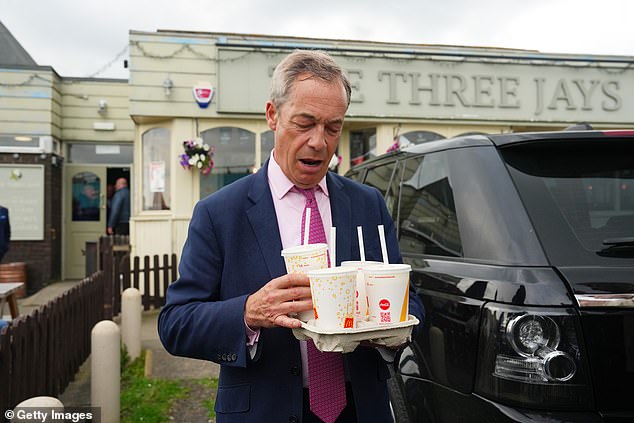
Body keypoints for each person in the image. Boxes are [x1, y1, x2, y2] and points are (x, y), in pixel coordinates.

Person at [158, 50, 424, 423]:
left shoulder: (368, 204)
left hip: (361, 408)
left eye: (333, 127)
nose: (319, 142)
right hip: (264, 411)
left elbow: (410, 301)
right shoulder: (220, 213)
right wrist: (248, 313)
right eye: (305, 123)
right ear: (273, 116)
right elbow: (176, 323)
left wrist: (386, 330)